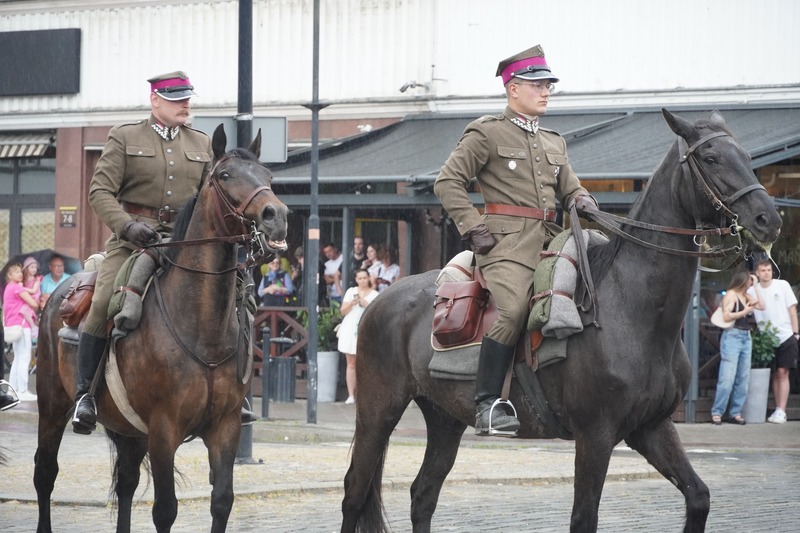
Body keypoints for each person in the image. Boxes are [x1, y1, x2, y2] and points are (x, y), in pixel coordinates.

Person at [434, 45, 596, 437]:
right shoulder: (487, 132)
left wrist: (583, 201)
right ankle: (487, 403)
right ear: (513, 88)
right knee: (515, 309)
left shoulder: (555, 141)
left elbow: (570, 189)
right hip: (503, 245)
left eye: (548, 86)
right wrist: (473, 227)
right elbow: (447, 182)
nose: (546, 92)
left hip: (549, 239)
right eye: (538, 85)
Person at [71, 70, 216, 435]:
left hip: (184, 242)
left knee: (231, 295)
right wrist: (127, 226)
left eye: (187, 98)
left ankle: (231, 390)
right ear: (155, 100)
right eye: (176, 98)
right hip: (133, 239)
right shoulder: (124, 136)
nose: (186, 104)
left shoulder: (201, 143)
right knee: (104, 298)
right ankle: (84, 393)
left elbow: (209, 200)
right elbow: (99, 193)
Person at [749, 258, 799, 424]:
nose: (766, 273)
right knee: (775, 375)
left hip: (785, 335)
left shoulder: (782, 285)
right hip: (766, 339)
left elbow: (792, 310)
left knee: (783, 373)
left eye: (769, 270)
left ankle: (781, 410)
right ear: (757, 273)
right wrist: (755, 286)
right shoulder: (751, 291)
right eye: (763, 270)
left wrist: (795, 333)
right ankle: (777, 408)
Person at [710, 272, 764, 425]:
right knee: (727, 378)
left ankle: (735, 412)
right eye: (749, 281)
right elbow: (727, 316)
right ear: (742, 281)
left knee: (743, 378)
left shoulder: (746, 296)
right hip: (732, 336)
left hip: (746, 337)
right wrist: (745, 312)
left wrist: (756, 286)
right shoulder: (731, 294)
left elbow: (761, 305)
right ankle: (717, 412)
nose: (750, 283)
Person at [337, 269, 379, 404]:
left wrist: (364, 302)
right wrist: (352, 303)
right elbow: (342, 311)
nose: (362, 280)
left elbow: (376, 313)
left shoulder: (375, 294)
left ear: (369, 279)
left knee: (366, 362)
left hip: (365, 329)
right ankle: (350, 395)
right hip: (350, 328)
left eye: (364, 278)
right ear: (356, 279)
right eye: (359, 278)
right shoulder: (351, 292)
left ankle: (365, 394)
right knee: (351, 362)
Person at [3, 264, 38, 401]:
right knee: (24, 358)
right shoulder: (17, 287)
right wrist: (35, 299)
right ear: (9, 276)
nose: (19, 274)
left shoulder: (8, 288)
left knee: (17, 358)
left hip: (13, 324)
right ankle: (22, 390)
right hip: (22, 325)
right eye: (16, 272)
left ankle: (12, 389)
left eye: (20, 272)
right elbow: (34, 304)